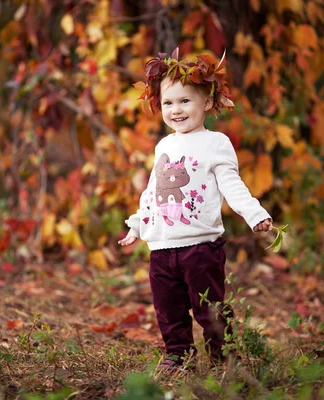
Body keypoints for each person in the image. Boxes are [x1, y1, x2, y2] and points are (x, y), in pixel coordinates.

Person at [118, 48, 272, 372]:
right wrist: (138, 224)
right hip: (161, 247)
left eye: (185, 101)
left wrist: (255, 214)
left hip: (201, 247)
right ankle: (179, 355)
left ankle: (223, 358)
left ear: (207, 102)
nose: (176, 110)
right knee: (168, 308)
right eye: (169, 102)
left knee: (210, 307)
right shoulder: (164, 145)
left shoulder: (216, 143)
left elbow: (232, 185)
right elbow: (153, 191)